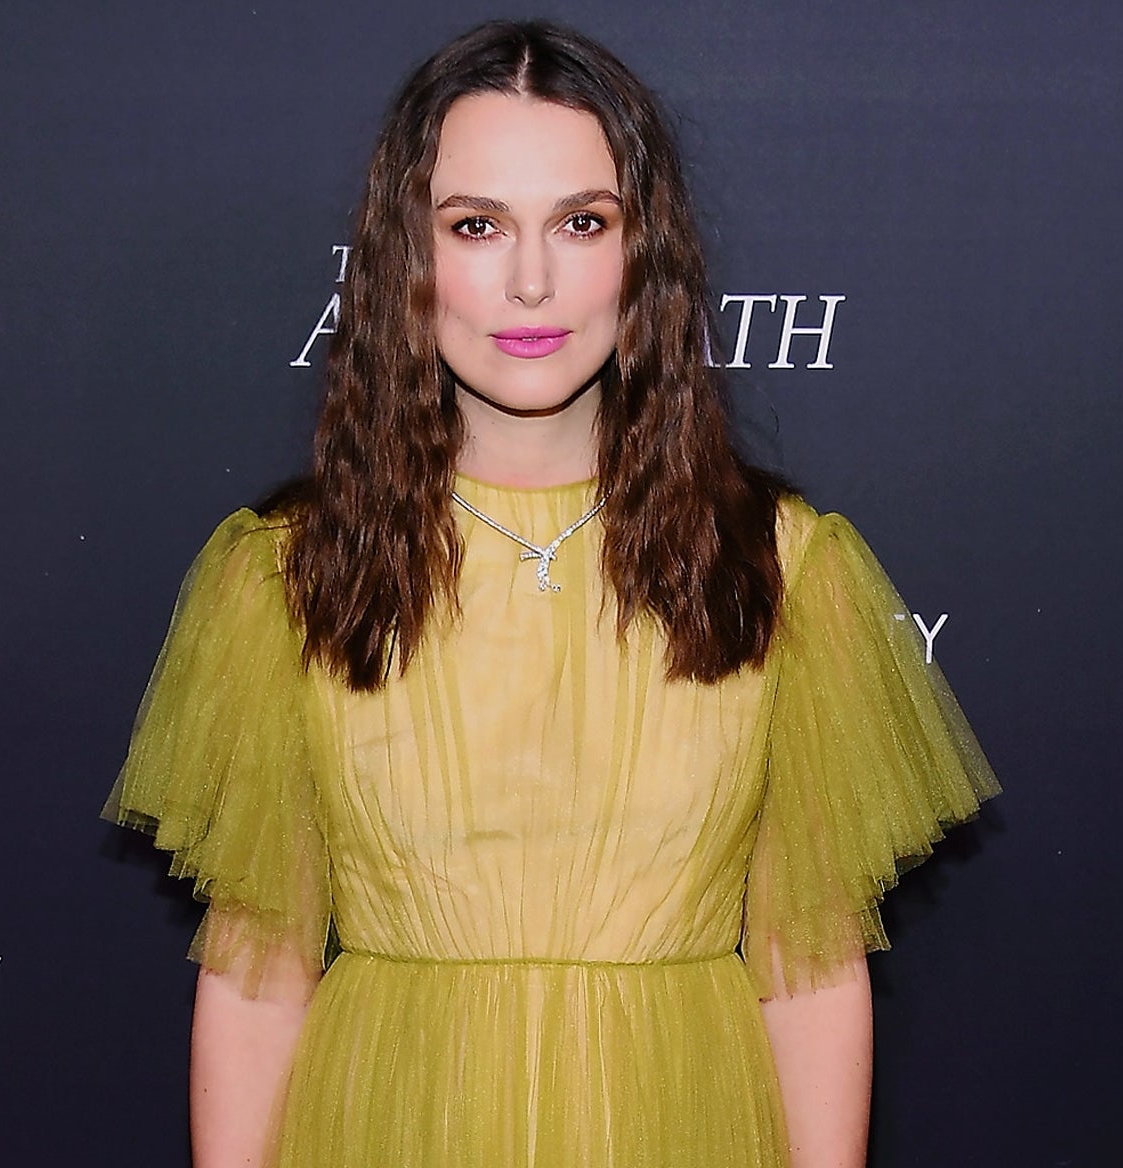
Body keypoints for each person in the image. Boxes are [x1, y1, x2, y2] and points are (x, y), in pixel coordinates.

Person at [104, 18, 1000, 1168]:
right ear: (405, 259)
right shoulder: (284, 572)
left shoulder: (784, 566)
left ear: (645, 253)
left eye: (582, 222)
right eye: (476, 226)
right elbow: (259, 979)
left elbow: (809, 977)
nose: (530, 279)